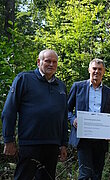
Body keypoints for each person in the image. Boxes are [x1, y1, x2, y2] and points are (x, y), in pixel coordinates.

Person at [1, 49, 68, 179]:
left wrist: (63, 143)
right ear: (38, 62)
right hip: (30, 143)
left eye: (54, 62)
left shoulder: (61, 86)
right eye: (47, 61)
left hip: (52, 145)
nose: (51, 65)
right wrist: (8, 139)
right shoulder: (24, 79)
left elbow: (63, 117)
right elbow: (9, 110)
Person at [68, 58, 110, 180]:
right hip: (83, 137)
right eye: (94, 68)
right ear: (89, 70)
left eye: (100, 69)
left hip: (101, 138)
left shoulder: (109, 92)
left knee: (97, 174)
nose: (96, 71)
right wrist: (73, 119)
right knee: (85, 174)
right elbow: (66, 109)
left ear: (103, 72)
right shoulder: (78, 87)